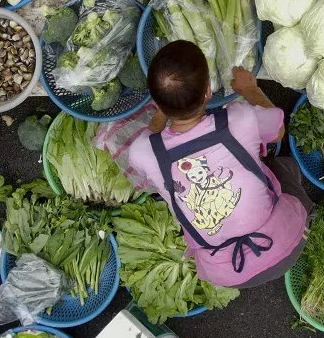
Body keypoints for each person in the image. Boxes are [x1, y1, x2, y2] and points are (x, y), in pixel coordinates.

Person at [127, 40, 313, 289]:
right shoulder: (238, 118)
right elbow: (278, 131)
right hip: (286, 241)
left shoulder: (142, 151)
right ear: (207, 91)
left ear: (156, 104)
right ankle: (307, 214)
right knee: (284, 166)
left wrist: (164, 109)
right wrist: (250, 89)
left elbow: (151, 133)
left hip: (229, 274)